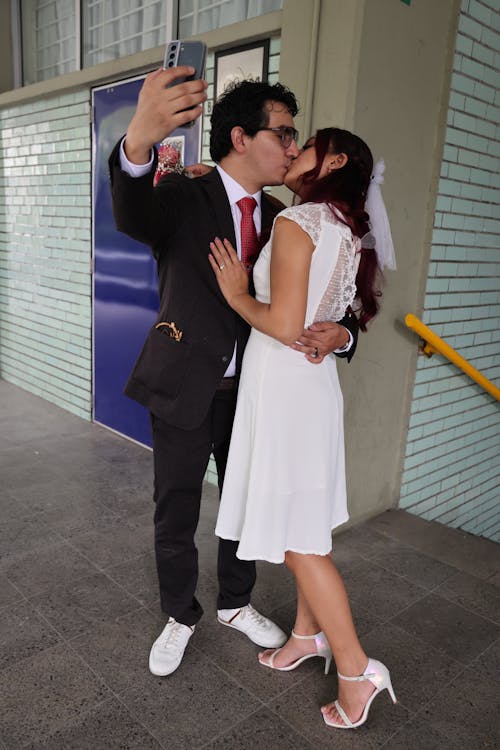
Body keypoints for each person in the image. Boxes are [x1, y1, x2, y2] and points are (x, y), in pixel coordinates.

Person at [108, 67, 359, 678]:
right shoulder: (182, 193)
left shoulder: (286, 213)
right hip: (185, 380)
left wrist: (345, 334)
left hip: (256, 393)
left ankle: (236, 602)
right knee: (177, 505)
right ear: (241, 137)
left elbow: (333, 294)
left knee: (240, 502)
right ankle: (179, 614)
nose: (295, 148)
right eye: (285, 134)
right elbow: (133, 214)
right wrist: (138, 142)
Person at [209, 127, 396, 729]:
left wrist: (239, 294)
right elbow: (334, 315)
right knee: (303, 521)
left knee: (299, 542)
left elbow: (286, 322)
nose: (294, 152)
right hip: (309, 390)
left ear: (333, 161)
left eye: (306, 144)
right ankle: (307, 635)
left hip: (287, 389)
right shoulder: (341, 227)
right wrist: (339, 333)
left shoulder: (298, 223)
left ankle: (356, 670)